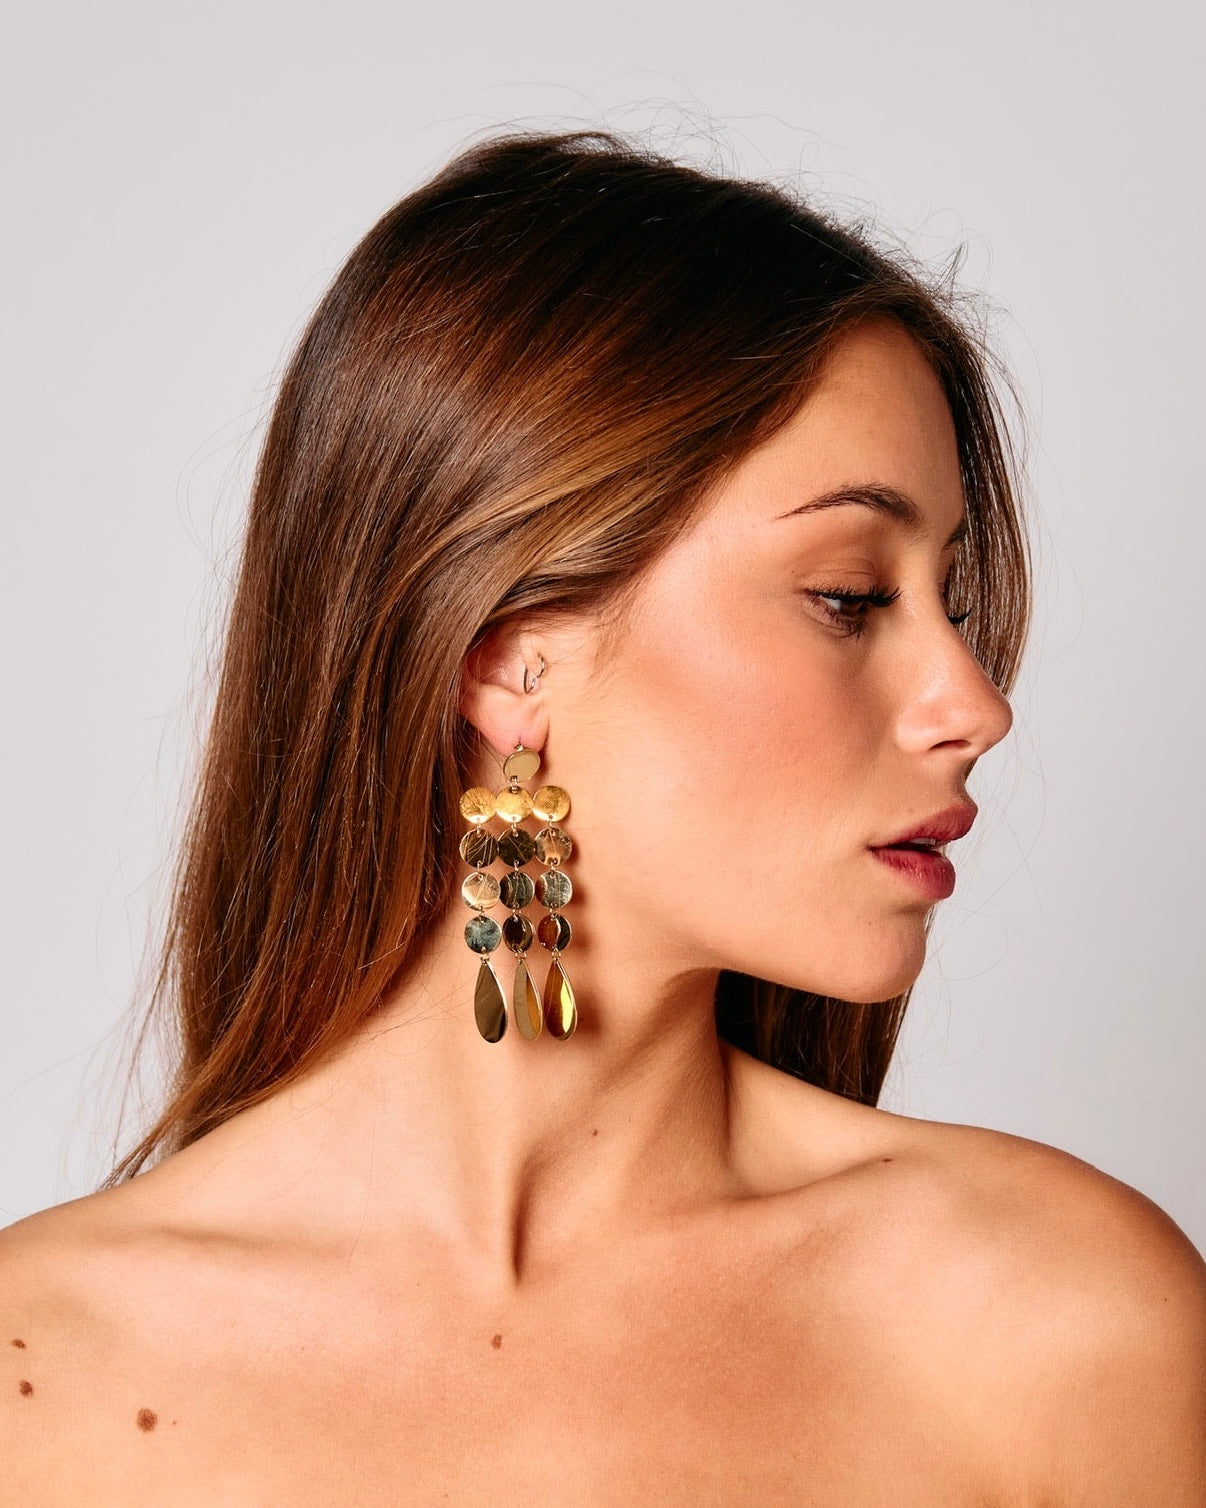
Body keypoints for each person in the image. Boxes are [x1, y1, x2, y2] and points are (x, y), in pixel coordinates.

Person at [2, 128, 1203, 1505]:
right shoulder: (40, 1378)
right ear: (508, 661)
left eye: (953, 599)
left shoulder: (1058, 1322)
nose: (972, 704)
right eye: (849, 597)